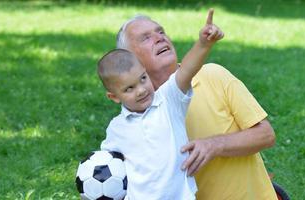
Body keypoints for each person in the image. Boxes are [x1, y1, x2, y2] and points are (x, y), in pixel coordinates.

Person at [116, 9, 278, 200]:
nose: (159, 38)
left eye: (161, 32)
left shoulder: (213, 75)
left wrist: (214, 145)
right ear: (130, 61)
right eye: (146, 38)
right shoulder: (137, 118)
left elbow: (265, 135)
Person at [97, 9, 223, 200]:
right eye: (129, 88)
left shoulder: (168, 101)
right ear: (114, 97)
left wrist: (203, 44)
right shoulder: (116, 129)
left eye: (143, 79)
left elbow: (187, 69)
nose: (141, 90)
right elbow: (108, 168)